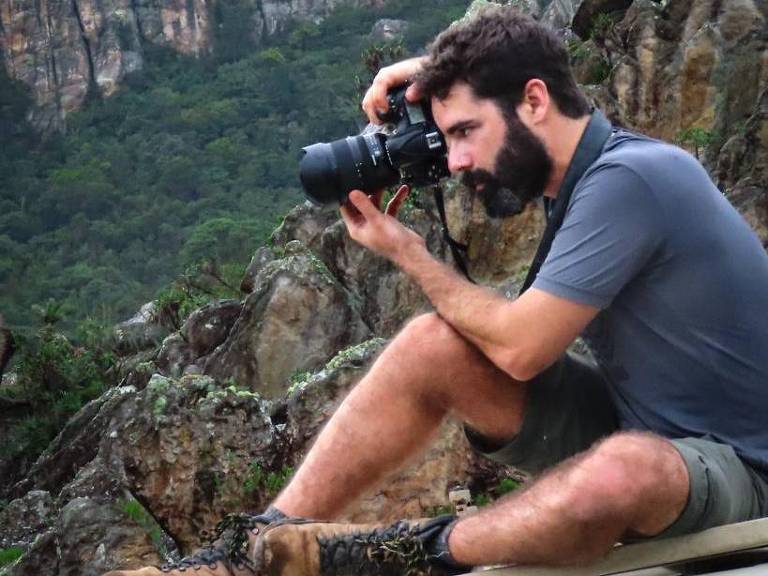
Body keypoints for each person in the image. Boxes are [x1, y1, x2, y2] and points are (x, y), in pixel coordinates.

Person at [106, 5, 768, 576]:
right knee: (430, 344)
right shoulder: (580, 171)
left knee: (627, 469)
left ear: (534, 102)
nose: (453, 164)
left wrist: (410, 255)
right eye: (447, 138)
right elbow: (535, 60)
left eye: (464, 133)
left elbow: (520, 352)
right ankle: (255, 549)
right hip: (647, 422)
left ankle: (388, 553)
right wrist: (439, 74)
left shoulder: (633, 178)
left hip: (744, 467)